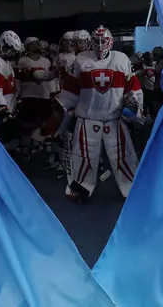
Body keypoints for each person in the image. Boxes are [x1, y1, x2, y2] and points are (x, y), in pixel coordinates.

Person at [60, 25, 140, 202]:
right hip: (88, 118)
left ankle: (132, 187)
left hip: (115, 118)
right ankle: (80, 187)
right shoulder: (81, 60)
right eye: (96, 40)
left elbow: (132, 87)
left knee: (123, 155)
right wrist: (64, 108)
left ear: (110, 41)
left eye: (103, 40)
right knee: (83, 156)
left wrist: (134, 105)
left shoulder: (122, 59)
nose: (100, 44)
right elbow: (72, 88)